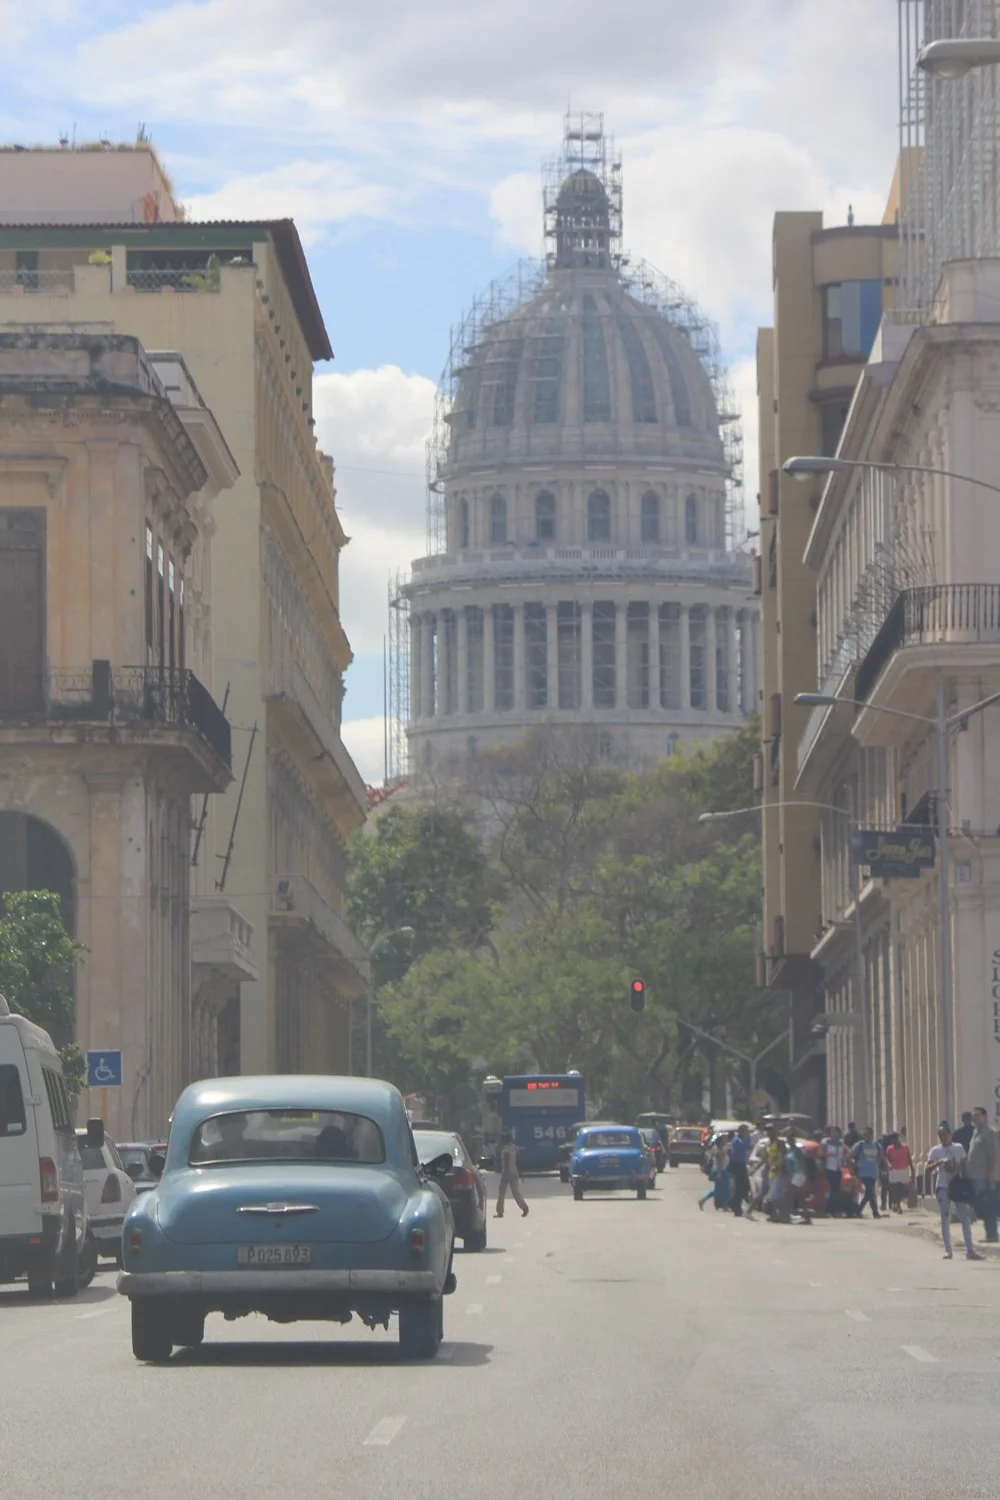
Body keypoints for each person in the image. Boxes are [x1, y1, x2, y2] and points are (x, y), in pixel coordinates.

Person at [927, 1123, 984, 1261]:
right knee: (945, 1217)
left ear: (950, 1134)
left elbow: (965, 1166)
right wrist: (940, 1162)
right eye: (940, 1135)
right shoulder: (935, 1150)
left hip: (957, 1185)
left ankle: (970, 1250)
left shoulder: (958, 1148)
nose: (942, 1137)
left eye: (944, 1134)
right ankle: (948, 1250)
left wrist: (956, 1169)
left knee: (964, 1217)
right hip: (942, 1186)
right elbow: (928, 1169)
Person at [965, 1106, 999, 1244]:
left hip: (985, 1176)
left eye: (978, 1115)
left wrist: (990, 1173)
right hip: (975, 1176)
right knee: (981, 1203)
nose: (975, 1118)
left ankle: (991, 1234)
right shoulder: (975, 1132)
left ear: (985, 1116)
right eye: (973, 1115)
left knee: (987, 1204)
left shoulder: (989, 1133)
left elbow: (993, 1155)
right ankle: (987, 1230)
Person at [494, 1131, 529, 1218]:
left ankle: (500, 1211)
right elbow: (517, 1162)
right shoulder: (515, 1148)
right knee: (515, 1192)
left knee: (501, 1192)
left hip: (506, 1172)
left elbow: (505, 1161)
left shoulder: (505, 1149)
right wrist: (519, 1172)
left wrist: (502, 1170)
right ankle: (524, 1208)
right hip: (514, 1172)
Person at [852, 1127, 882, 1219]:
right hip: (862, 1172)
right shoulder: (859, 1145)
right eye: (865, 1134)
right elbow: (852, 1155)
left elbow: (880, 1156)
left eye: (869, 1134)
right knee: (870, 1192)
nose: (867, 1136)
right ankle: (873, 1212)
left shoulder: (876, 1145)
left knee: (870, 1193)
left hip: (872, 1172)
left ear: (872, 1135)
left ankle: (862, 1211)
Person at [699, 1137, 731, 1212]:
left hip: (721, 1171)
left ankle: (723, 1205)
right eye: (724, 1141)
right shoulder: (719, 1152)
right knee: (721, 1190)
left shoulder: (721, 1150)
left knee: (723, 1190)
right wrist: (719, 1174)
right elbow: (720, 1163)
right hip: (720, 1171)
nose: (725, 1142)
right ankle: (703, 1200)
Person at [821, 1125, 847, 1217]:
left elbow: (845, 1152)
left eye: (836, 1132)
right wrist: (829, 1154)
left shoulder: (841, 1142)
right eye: (832, 1132)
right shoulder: (826, 1142)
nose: (834, 1134)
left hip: (838, 1168)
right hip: (829, 1168)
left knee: (836, 1190)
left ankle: (830, 1210)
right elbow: (821, 1152)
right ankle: (834, 1210)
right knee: (831, 1190)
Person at [885, 1132, 913, 1214]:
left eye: (894, 1139)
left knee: (905, 1190)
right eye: (891, 1140)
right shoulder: (889, 1149)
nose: (893, 1141)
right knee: (895, 1189)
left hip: (904, 1171)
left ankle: (896, 1203)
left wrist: (912, 1170)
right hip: (894, 1171)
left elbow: (909, 1159)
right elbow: (887, 1159)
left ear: (897, 1139)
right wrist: (889, 1165)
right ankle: (898, 1206)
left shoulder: (905, 1147)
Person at [728, 1124, 752, 1217]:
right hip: (738, 1165)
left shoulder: (741, 1139)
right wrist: (748, 1138)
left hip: (741, 1164)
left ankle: (734, 1204)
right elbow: (744, 1147)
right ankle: (735, 1205)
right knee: (741, 1187)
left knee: (744, 1188)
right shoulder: (738, 1140)